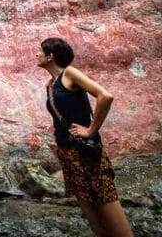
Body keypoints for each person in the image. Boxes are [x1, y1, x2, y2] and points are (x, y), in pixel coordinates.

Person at [36, 37, 133, 237]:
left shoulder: (70, 73)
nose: (36, 55)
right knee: (97, 226)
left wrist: (90, 130)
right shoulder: (50, 84)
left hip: (86, 153)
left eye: (39, 51)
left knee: (113, 217)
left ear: (50, 56)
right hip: (69, 155)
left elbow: (105, 96)